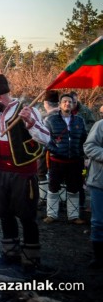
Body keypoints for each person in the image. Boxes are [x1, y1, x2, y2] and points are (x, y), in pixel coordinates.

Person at [0, 74, 50, 273]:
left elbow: (46, 138)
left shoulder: (28, 111)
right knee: (4, 214)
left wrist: (30, 123)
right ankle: (10, 254)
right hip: (1, 172)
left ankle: (31, 259)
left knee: (27, 217)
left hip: (23, 174)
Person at [42, 93, 87, 224]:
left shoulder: (79, 121)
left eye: (70, 102)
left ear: (73, 105)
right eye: (65, 101)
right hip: (56, 160)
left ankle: (73, 216)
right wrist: (56, 150)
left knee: (74, 188)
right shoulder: (50, 120)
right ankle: (51, 214)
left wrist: (81, 153)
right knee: (53, 187)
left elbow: (84, 139)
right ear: (60, 105)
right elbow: (46, 140)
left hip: (75, 161)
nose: (67, 104)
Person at [84, 119, 103, 269]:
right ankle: (98, 258)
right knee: (98, 222)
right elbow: (89, 146)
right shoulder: (101, 125)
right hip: (100, 182)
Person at [37, 90, 60, 206]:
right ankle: (62, 200)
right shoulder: (65, 113)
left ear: (46, 103)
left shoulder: (48, 118)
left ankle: (44, 198)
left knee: (41, 172)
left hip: (47, 149)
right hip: (62, 150)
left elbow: (43, 135)